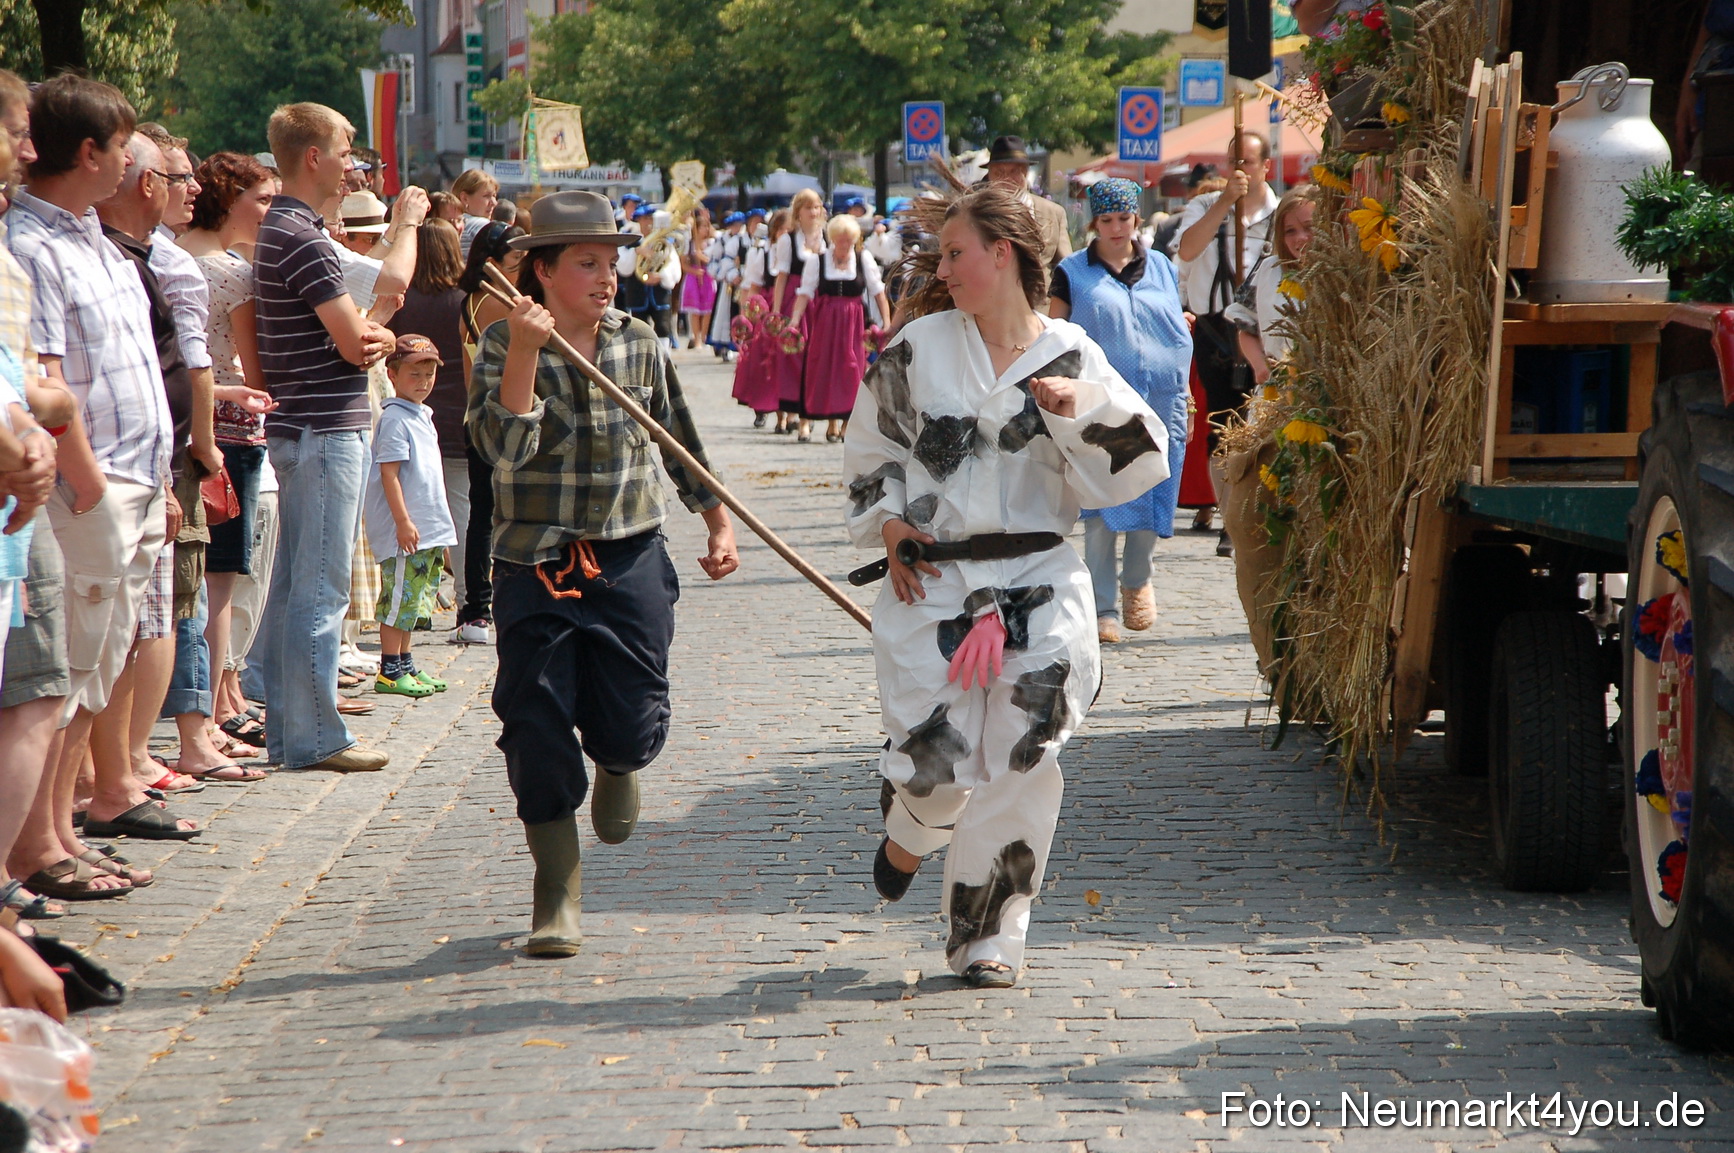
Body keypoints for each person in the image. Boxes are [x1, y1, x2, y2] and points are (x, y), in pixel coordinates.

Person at [843, 184, 1168, 988]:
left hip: (1037, 577)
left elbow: (1138, 462)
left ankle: (988, 935)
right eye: (942, 256)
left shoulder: (1070, 353)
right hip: (936, 580)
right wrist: (890, 527)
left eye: (957, 254)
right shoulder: (920, 348)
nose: (943, 270)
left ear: (1004, 254)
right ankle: (912, 829)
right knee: (936, 768)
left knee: (1024, 752)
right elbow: (873, 451)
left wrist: (1079, 410)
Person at [468, 190, 740, 957]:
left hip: (629, 555)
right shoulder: (501, 342)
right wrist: (526, 352)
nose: (606, 276)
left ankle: (619, 760)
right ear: (542, 271)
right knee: (534, 721)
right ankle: (556, 889)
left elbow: (679, 439)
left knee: (630, 722)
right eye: (587, 263)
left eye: (610, 262)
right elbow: (501, 450)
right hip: (535, 562)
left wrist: (717, 520)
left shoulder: (639, 342)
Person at [7, 75, 197, 853]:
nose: (129, 163)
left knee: (98, 668)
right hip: (95, 486)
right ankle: (40, 844)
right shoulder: (32, 245)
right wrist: (86, 485)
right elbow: (46, 377)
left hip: (133, 479)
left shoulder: (96, 238)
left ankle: (63, 832)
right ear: (89, 153)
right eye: (121, 147)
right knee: (69, 671)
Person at [249, 101, 396, 773]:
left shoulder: (285, 227)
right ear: (314, 157)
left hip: (304, 425)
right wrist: (378, 333)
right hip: (323, 427)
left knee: (293, 587)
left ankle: (291, 731)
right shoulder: (301, 235)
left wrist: (372, 333)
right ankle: (316, 738)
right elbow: (355, 343)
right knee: (320, 588)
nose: (352, 164)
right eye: (344, 150)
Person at [1048, 178, 1193, 645]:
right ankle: (1102, 606)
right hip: (1105, 405)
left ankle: (1137, 580)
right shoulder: (1073, 272)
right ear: (1094, 222)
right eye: (1107, 219)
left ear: (1136, 218)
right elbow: (1054, 336)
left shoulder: (1162, 267)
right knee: (1102, 503)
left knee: (1154, 490)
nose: (1116, 228)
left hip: (1162, 400)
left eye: (1124, 218)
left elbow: (1172, 322)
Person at [178, 151, 278, 748]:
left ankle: (217, 703)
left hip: (190, 426)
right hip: (229, 435)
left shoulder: (173, 253)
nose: (269, 212)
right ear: (229, 199)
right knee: (219, 585)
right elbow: (257, 372)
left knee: (196, 584)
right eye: (261, 199)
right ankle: (210, 717)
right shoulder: (228, 271)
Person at [386, 219, 471, 628]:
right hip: (458, 414)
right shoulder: (465, 301)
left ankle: (417, 601)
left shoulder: (404, 301)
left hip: (409, 413)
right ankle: (468, 598)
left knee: (410, 508)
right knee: (459, 510)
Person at [366, 335, 457, 698]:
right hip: (405, 532)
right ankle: (389, 669)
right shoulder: (394, 418)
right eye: (414, 374)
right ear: (392, 374)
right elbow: (389, 474)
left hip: (427, 529)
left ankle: (405, 662)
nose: (423, 381)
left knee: (415, 601)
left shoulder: (422, 415)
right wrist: (403, 521)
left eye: (429, 374)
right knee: (398, 600)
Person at [451, 221, 527, 645]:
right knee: (500, 515)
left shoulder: (470, 302)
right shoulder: (507, 305)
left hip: (476, 416)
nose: (525, 266)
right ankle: (488, 604)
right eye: (517, 259)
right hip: (505, 419)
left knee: (481, 516)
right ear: (492, 264)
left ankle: (475, 608)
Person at [787, 212, 888, 444]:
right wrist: (794, 320)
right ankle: (825, 420)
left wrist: (887, 323)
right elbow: (804, 293)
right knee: (822, 368)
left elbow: (878, 292)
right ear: (833, 239)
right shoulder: (818, 260)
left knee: (851, 369)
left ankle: (845, 423)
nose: (845, 246)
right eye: (841, 240)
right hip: (825, 323)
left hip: (854, 323)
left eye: (849, 241)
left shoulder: (863, 259)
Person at [1228, 186, 1317, 385]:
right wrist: (1260, 366)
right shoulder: (1270, 269)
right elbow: (1246, 328)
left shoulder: (1342, 275)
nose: (1300, 238)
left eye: (1309, 227)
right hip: (1279, 390)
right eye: (1290, 231)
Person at [770, 189, 825, 436]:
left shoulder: (827, 237)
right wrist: (776, 310)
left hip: (818, 301)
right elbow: (781, 277)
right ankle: (792, 409)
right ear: (798, 212)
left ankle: (810, 409)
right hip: (794, 298)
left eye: (817, 207)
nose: (814, 212)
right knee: (793, 355)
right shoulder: (788, 240)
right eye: (808, 207)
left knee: (816, 356)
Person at [984, 136, 1072, 270]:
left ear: (1026, 172)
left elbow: (1067, 268)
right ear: (989, 175)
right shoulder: (975, 212)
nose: (1006, 179)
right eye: (999, 172)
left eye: (1014, 172)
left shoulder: (1053, 213)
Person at [729, 208, 782, 425]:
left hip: (787, 304)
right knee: (762, 357)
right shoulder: (761, 253)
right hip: (765, 306)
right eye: (782, 230)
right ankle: (761, 406)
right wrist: (746, 316)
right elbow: (752, 287)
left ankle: (786, 411)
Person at [614, 203, 680, 341]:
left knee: (663, 327)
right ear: (638, 220)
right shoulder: (630, 239)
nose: (648, 222)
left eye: (650, 218)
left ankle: (663, 354)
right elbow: (621, 265)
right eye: (644, 219)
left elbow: (673, 264)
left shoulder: (664, 240)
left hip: (659, 293)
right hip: (636, 292)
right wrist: (636, 252)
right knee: (639, 329)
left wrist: (661, 275)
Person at [706, 211, 746, 358]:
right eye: (734, 225)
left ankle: (738, 343)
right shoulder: (722, 240)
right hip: (726, 284)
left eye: (739, 225)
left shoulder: (744, 240)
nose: (737, 228)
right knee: (724, 313)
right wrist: (725, 274)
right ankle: (724, 345)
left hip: (742, 282)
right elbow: (714, 261)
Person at [679, 207, 717, 350]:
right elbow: (683, 264)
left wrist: (703, 257)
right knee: (695, 311)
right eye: (702, 227)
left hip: (708, 277)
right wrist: (694, 271)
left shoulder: (711, 243)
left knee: (707, 310)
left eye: (707, 227)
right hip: (693, 278)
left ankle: (704, 337)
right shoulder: (689, 244)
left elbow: (713, 259)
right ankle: (697, 340)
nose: (705, 230)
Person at [451, 168, 498, 259]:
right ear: (465, 198)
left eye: (494, 196)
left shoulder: (449, 224)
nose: (494, 202)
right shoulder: (481, 225)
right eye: (486, 196)